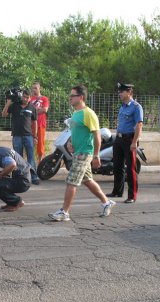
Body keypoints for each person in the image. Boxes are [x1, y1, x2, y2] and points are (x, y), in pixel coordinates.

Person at [49, 85, 115, 221]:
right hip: (77, 152)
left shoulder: (88, 113)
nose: (70, 98)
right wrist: (70, 142)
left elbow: (97, 135)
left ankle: (64, 212)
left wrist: (96, 155)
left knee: (71, 181)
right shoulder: (76, 114)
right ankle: (106, 202)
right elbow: (75, 131)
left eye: (72, 96)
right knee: (87, 180)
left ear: (81, 97)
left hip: (85, 153)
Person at [106, 82, 143, 203]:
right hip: (119, 139)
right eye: (119, 92)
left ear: (129, 92)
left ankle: (132, 196)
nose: (119, 94)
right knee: (117, 166)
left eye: (122, 92)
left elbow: (139, 125)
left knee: (130, 169)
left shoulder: (136, 107)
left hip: (129, 140)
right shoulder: (122, 106)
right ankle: (117, 191)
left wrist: (134, 142)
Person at [1, 89, 40, 185]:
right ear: (21, 96)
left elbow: (35, 123)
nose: (25, 99)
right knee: (18, 158)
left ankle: (33, 177)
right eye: (24, 96)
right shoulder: (14, 106)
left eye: (28, 97)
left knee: (31, 157)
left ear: (30, 98)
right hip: (17, 136)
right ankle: (20, 177)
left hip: (29, 136)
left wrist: (35, 137)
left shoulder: (32, 107)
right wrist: (8, 102)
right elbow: (4, 114)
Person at [30, 82, 49, 163]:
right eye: (33, 88)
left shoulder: (44, 99)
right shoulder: (30, 99)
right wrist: (38, 109)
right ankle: (31, 162)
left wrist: (34, 112)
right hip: (31, 124)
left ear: (39, 89)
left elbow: (45, 109)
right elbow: (28, 111)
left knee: (40, 143)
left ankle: (40, 162)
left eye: (35, 88)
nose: (34, 90)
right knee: (30, 143)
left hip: (41, 123)